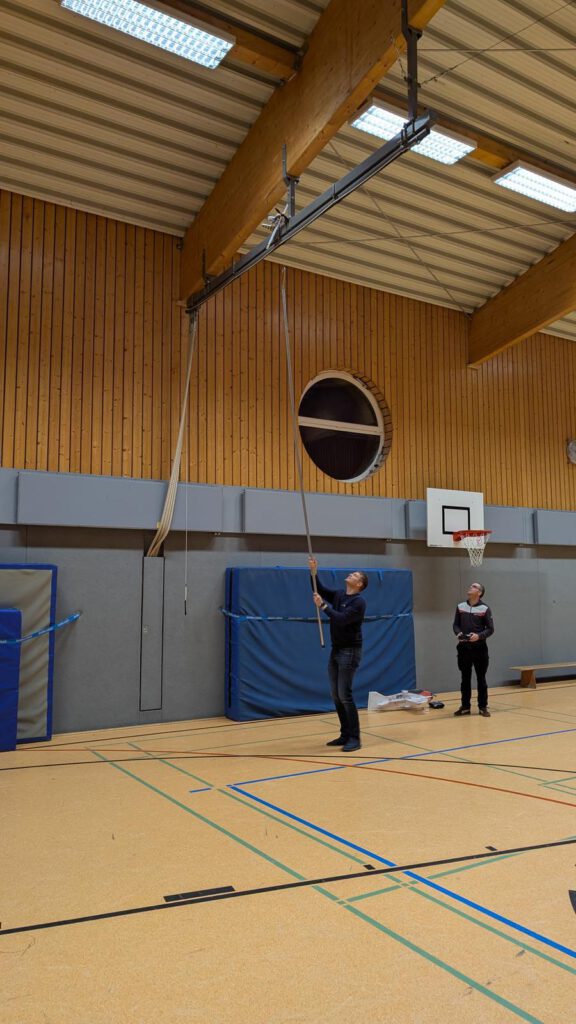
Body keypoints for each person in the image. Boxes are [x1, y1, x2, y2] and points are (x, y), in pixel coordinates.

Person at [308, 557, 368, 752]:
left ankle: (355, 738)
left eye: (355, 575)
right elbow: (319, 589)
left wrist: (323, 607)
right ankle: (345, 734)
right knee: (335, 694)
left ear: (359, 584)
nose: (351, 574)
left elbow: (341, 619)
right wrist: (313, 571)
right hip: (337, 649)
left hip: (350, 651)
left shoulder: (359, 602)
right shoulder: (340, 594)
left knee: (345, 694)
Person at [453, 582, 494, 717]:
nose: (471, 587)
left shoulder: (485, 608)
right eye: (471, 585)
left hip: (480, 649)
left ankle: (483, 706)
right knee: (465, 678)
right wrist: (458, 633)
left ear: (479, 593)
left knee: (481, 679)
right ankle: (465, 706)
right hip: (463, 649)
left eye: (474, 586)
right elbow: (455, 625)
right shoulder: (460, 607)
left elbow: (490, 629)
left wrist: (479, 636)